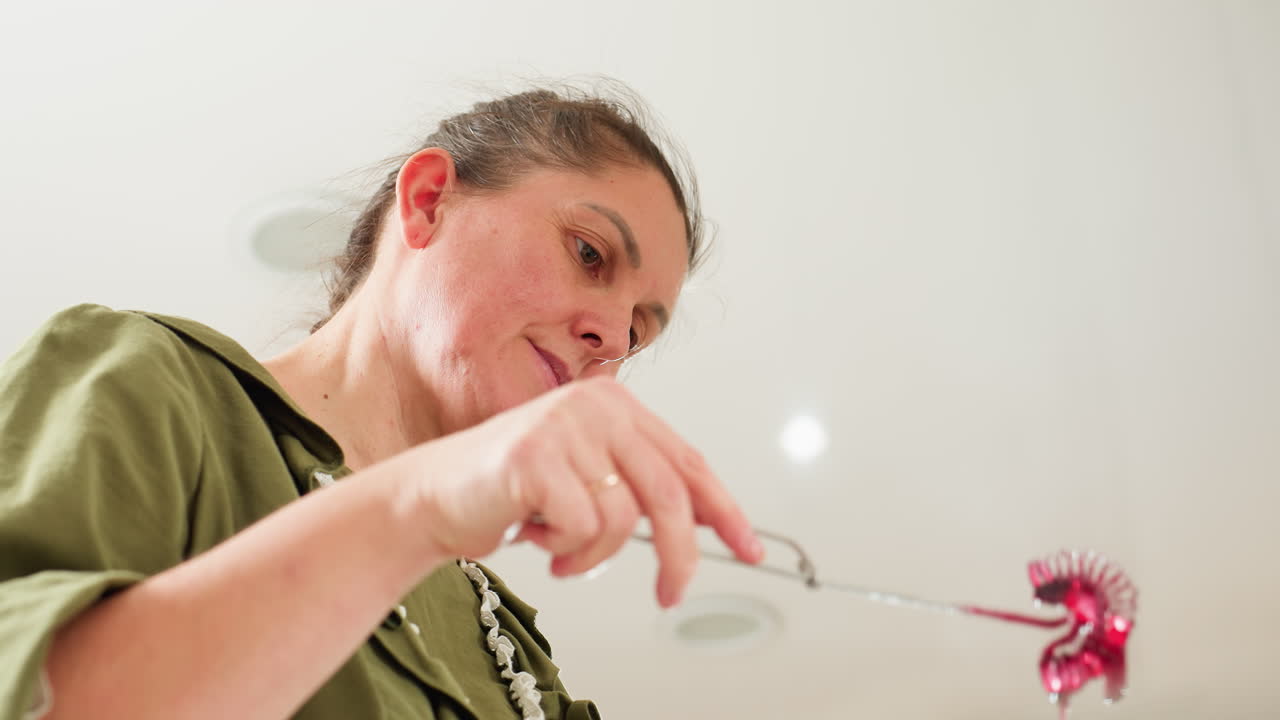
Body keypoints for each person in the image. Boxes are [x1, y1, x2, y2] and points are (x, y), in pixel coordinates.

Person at [0, 84, 764, 720]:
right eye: (588, 252)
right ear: (428, 201)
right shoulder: (149, 387)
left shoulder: (507, 649)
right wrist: (414, 505)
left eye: (638, 329)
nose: (608, 337)